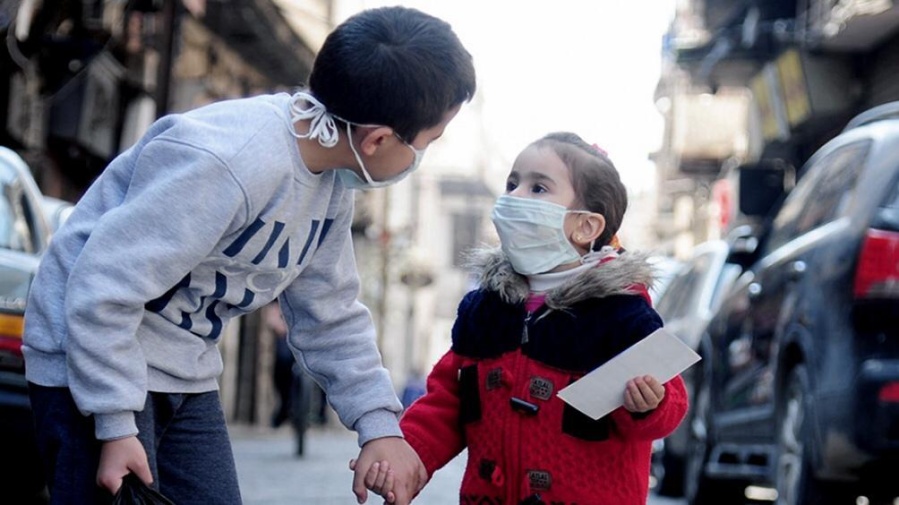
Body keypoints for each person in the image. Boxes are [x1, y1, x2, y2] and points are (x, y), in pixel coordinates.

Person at [21, 6, 475, 505]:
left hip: (183, 369)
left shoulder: (331, 183)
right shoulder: (228, 161)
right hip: (89, 361)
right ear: (379, 139)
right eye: (429, 141)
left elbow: (331, 314)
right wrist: (113, 423)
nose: (423, 155)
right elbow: (102, 287)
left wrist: (378, 426)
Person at [358, 132, 688, 504]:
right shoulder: (486, 308)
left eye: (538, 188)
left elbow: (671, 403)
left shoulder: (621, 312)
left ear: (586, 227)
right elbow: (448, 402)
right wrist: (408, 456)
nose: (514, 196)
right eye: (513, 183)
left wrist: (649, 403)